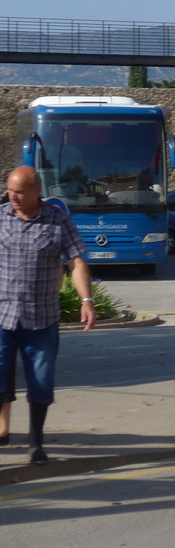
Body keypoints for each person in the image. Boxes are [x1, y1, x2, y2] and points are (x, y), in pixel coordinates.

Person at [0, 166, 96, 465]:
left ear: (36, 191)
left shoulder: (58, 221)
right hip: (2, 316)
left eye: (19, 192)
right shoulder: (0, 216)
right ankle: (2, 430)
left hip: (40, 319)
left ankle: (36, 444)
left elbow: (76, 261)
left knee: (40, 382)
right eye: (10, 190)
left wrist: (87, 299)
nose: (12, 197)